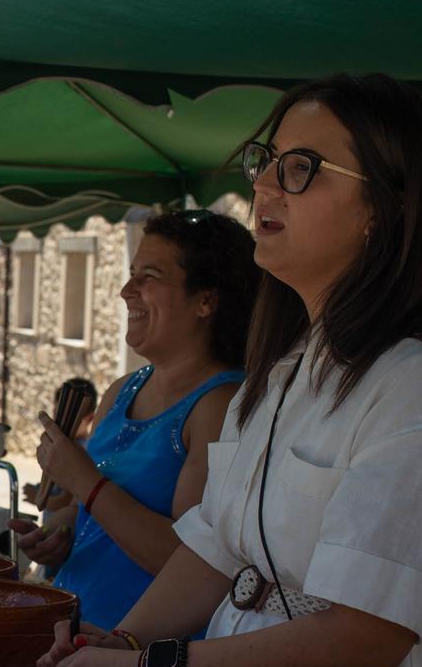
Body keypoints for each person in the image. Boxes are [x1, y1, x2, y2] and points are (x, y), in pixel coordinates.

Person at [42, 74, 422, 667]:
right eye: (265, 161)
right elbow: (215, 544)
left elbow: (368, 632)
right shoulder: (293, 370)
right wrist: (122, 641)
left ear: (386, 206)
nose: (265, 186)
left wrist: (159, 666)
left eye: (299, 169)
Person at [16, 212, 258, 629]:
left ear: (206, 300)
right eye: (131, 274)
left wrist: (85, 483)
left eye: (149, 275)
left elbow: (189, 562)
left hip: (144, 660)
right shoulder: (122, 390)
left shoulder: (220, 406)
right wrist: (59, 535)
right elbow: (89, 515)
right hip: (80, 635)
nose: (127, 291)